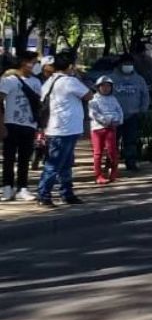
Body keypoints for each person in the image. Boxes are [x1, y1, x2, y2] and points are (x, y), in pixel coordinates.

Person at [35, 53, 93, 207]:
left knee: (65, 164)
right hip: (65, 128)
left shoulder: (50, 80)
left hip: (57, 127)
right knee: (55, 164)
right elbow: (89, 95)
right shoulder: (70, 81)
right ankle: (43, 194)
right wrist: (78, 76)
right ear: (69, 66)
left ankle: (67, 193)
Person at [0, 51, 42, 201]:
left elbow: (38, 104)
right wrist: (2, 124)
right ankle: (7, 187)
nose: (36, 65)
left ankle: (22, 188)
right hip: (11, 123)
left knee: (25, 158)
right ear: (25, 62)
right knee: (9, 158)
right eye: (34, 62)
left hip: (29, 124)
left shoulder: (36, 82)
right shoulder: (9, 80)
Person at [109, 54, 151, 172]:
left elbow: (145, 96)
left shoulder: (139, 79)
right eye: (125, 64)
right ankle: (111, 162)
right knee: (113, 141)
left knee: (131, 140)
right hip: (115, 116)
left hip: (133, 115)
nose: (128, 66)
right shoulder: (111, 78)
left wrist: (143, 109)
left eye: (130, 64)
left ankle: (131, 162)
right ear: (120, 65)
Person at [88, 76, 124, 184]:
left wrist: (118, 120)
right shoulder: (93, 99)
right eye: (103, 86)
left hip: (111, 128)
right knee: (98, 153)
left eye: (108, 86)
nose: (105, 88)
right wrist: (105, 121)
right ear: (98, 87)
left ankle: (113, 172)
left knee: (112, 151)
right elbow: (93, 113)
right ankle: (98, 175)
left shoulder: (113, 99)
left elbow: (119, 111)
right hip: (97, 129)